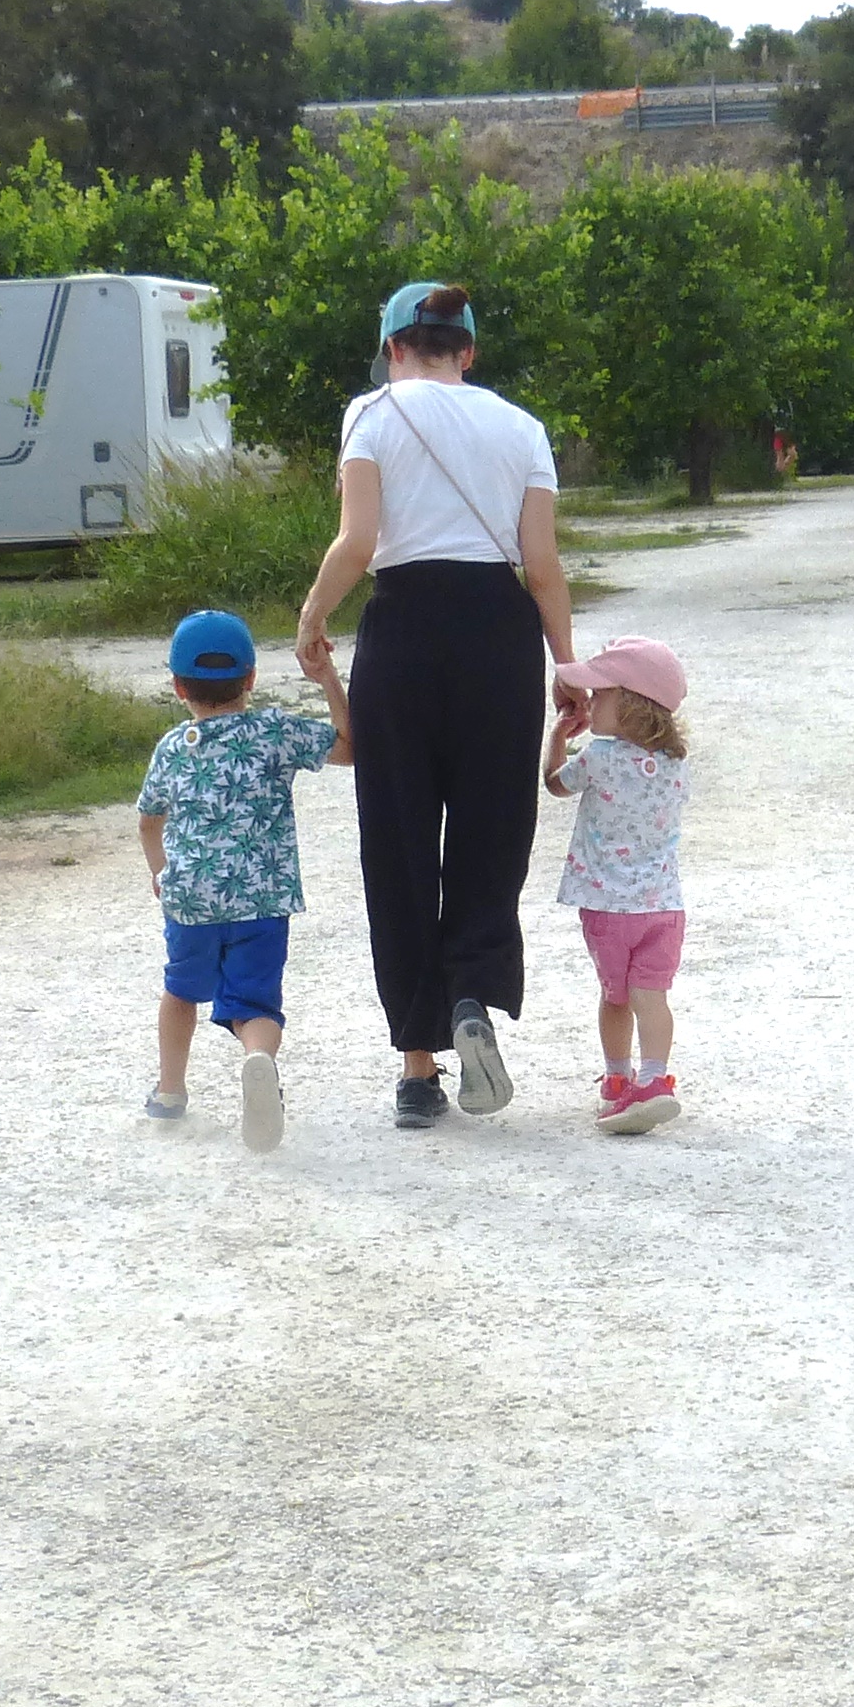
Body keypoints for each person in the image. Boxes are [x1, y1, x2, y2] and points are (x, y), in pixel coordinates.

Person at [296, 279, 577, 1132]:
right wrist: (567, 665)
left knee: (401, 839)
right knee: (494, 834)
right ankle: (472, 1000)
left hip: (406, 631)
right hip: (498, 633)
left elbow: (360, 540)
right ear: (470, 352)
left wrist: (313, 617)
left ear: (393, 349)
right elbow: (542, 565)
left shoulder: (372, 414)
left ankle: (418, 1067)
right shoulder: (521, 427)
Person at [133, 606, 344, 1151]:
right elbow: (350, 747)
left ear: (178, 687)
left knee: (180, 991)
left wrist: (161, 874)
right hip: (262, 898)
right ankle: (257, 1060)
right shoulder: (274, 731)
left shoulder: (172, 748)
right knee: (255, 1003)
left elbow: (149, 821)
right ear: (250, 678)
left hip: (192, 901)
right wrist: (329, 681)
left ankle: (171, 1091)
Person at [545, 634, 690, 1133]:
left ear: (629, 705)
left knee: (616, 997)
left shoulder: (599, 758)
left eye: (601, 695)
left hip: (608, 908)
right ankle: (653, 1079)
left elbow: (555, 784)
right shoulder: (676, 766)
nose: (591, 702)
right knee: (653, 997)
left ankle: (616, 1079)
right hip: (664, 907)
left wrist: (560, 736)